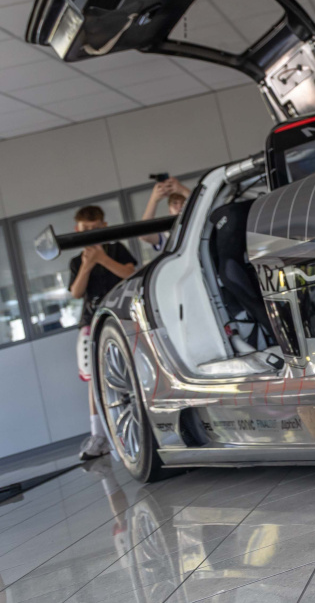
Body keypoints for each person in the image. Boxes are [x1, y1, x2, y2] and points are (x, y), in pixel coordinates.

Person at [70, 205, 136, 461]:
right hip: (91, 322)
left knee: (129, 368)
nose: (91, 233)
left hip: (121, 316)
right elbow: (76, 292)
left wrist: (102, 259)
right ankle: (98, 433)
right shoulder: (76, 261)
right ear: (77, 231)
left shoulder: (116, 249)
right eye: (86, 230)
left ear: (104, 227)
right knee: (95, 378)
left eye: (96, 229)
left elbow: (129, 274)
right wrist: (87, 265)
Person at [140, 177, 190, 251]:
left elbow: (203, 206)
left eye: (183, 203)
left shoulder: (197, 221)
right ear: (170, 210)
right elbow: (144, 235)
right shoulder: (166, 235)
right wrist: (153, 200)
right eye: (175, 203)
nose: (179, 207)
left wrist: (182, 190)